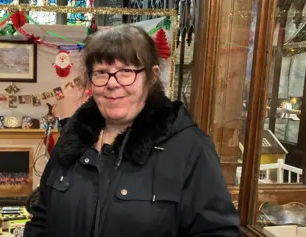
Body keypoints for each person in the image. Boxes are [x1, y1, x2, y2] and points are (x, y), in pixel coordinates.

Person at [24, 24, 241, 237]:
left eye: (126, 71)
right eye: (101, 72)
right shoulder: (72, 139)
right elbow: (42, 218)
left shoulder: (190, 148)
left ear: (152, 76)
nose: (112, 83)